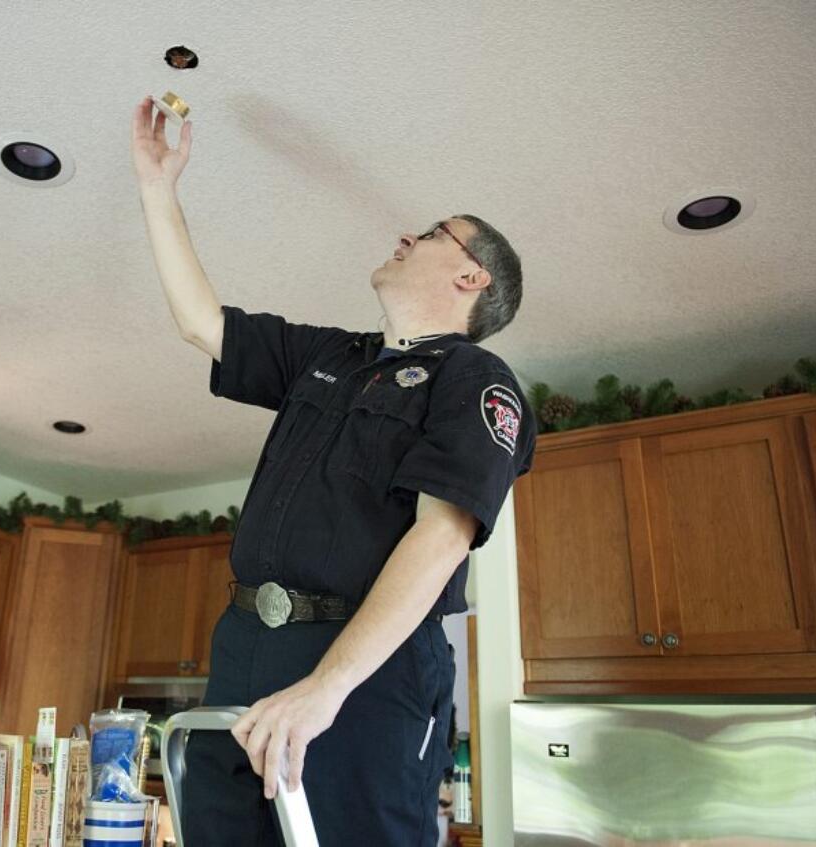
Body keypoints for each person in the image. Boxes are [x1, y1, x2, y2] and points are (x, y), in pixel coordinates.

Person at [131, 95, 534, 846]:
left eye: (436, 233)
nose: (406, 235)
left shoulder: (476, 377)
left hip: (364, 677)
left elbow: (442, 537)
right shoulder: (330, 356)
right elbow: (200, 322)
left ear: (473, 278)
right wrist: (158, 187)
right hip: (246, 646)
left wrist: (327, 688)